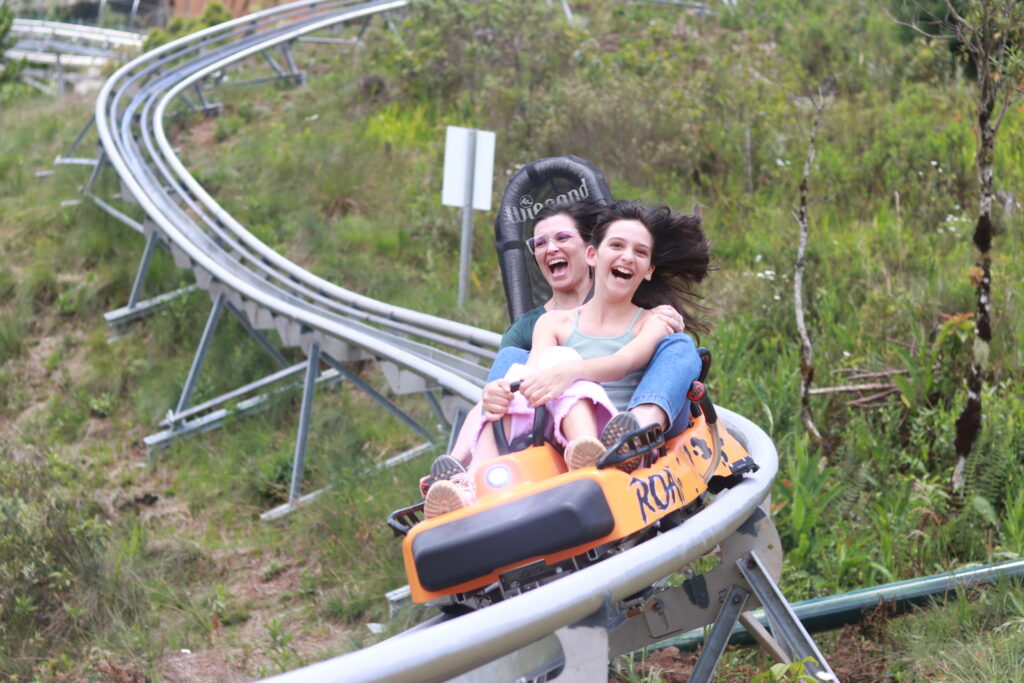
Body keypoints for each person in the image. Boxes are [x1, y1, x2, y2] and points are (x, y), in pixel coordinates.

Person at [425, 200, 712, 518]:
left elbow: (625, 361)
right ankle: (467, 482)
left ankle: (632, 439)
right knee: (530, 370)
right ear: (594, 255)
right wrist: (499, 392)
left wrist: (570, 371)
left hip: (628, 441)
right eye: (616, 245)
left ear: (648, 272)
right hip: (566, 445)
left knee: (680, 346)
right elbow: (530, 378)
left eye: (640, 253)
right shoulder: (551, 323)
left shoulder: (652, 321)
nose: (627, 257)